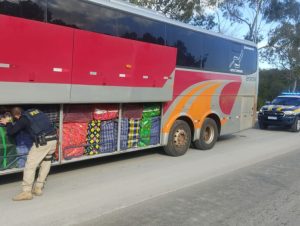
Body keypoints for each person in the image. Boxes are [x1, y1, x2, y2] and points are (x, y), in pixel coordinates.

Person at [0, 107, 57, 201]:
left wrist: (8, 122)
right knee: (45, 163)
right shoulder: (36, 111)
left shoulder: (23, 118)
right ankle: (38, 188)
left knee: (30, 166)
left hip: (43, 142)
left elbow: (11, 131)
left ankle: (26, 192)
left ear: (16, 115)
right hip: (53, 139)